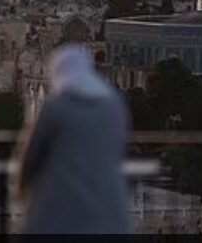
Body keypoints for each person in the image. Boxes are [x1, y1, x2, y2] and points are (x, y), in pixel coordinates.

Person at [17, 44, 132, 234]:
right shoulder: (114, 106)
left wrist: (23, 191)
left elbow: (32, 158)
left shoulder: (56, 108)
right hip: (111, 210)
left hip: (63, 208)